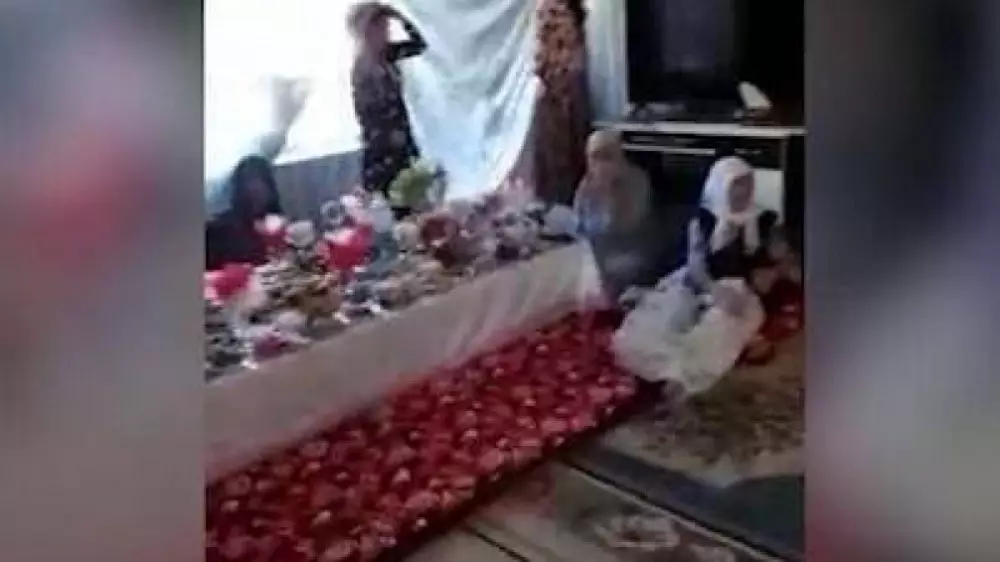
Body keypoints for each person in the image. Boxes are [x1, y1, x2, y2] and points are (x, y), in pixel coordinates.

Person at [348, 3, 427, 197]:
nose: (386, 33)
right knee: (393, 198)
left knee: (416, 194)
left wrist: (400, 17)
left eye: (386, 27)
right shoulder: (362, 68)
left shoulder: (388, 55)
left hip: (402, 139)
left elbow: (420, 44)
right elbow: (367, 114)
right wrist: (390, 136)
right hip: (383, 147)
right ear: (367, 32)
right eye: (381, 28)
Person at [574, 130, 654, 298]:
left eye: (607, 156)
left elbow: (628, 227)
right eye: (594, 157)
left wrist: (610, 192)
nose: (600, 163)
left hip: (628, 253)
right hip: (593, 252)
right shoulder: (586, 184)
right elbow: (578, 224)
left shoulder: (637, 180)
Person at [205, 156, 282, 270]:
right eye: (250, 183)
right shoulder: (218, 230)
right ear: (239, 190)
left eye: (262, 182)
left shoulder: (280, 225)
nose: (256, 189)